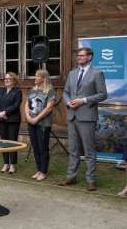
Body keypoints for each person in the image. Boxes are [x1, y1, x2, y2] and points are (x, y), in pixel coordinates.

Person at [58, 47, 107, 191]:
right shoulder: (72, 74)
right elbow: (66, 92)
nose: (78, 58)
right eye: (78, 56)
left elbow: (103, 94)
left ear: (90, 57)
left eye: (82, 55)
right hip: (72, 116)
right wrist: (67, 102)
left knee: (89, 150)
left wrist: (84, 100)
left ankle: (91, 180)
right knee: (73, 149)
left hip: (87, 117)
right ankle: (71, 177)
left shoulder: (97, 73)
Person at [25, 69, 56, 181]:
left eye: (37, 76)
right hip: (31, 122)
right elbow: (26, 104)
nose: (35, 78)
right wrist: (28, 117)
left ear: (43, 78)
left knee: (43, 148)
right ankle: (38, 169)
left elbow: (49, 108)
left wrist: (37, 118)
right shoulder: (33, 90)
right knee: (36, 147)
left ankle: (43, 171)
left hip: (43, 124)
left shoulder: (50, 90)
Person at [0, 72, 22, 174]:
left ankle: (12, 164)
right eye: (5, 79)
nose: (6, 80)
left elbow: (16, 105)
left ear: (13, 80)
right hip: (2, 120)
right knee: (3, 142)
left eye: (9, 79)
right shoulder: (1, 91)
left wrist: (5, 112)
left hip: (13, 120)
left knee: (12, 142)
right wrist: (0, 113)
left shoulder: (17, 92)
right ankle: (6, 163)